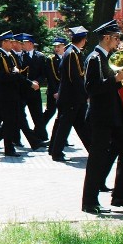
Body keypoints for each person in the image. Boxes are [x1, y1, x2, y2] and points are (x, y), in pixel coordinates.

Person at [81, 20, 123, 214]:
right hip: (101, 116)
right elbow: (91, 88)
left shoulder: (108, 58)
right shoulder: (94, 58)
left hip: (113, 114)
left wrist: (119, 79)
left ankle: (120, 195)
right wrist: (115, 79)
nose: (118, 42)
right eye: (116, 38)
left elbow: (110, 87)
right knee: (97, 158)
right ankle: (89, 201)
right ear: (107, 38)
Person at [49, 27, 91, 162]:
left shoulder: (73, 52)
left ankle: (93, 149)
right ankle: (56, 152)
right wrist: (85, 93)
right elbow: (76, 77)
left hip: (72, 97)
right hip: (71, 97)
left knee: (80, 125)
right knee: (65, 125)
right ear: (83, 40)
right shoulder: (72, 53)